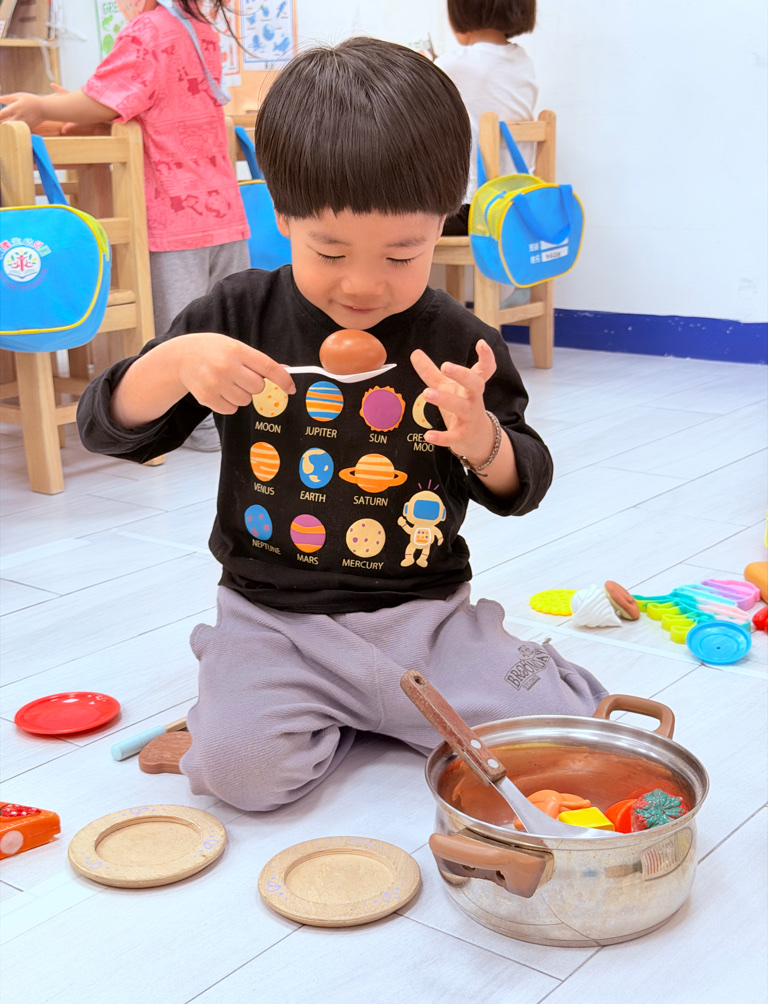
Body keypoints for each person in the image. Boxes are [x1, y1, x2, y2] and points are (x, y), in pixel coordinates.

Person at [75, 37, 605, 812]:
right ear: (282, 215)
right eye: (329, 251)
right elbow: (105, 428)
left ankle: (391, 702)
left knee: (564, 738)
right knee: (241, 774)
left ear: (443, 222)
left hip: (426, 619)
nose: (363, 285)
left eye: (402, 254)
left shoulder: (458, 341)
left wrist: (482, 441)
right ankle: (277, 695)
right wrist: (174, 363)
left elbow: (524, 481)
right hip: (273, 619)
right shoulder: (236, 316)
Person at [0, 0, 249, 452]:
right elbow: (141, 101)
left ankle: (198, 427)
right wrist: (80, 109)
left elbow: (108, 96)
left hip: (175, 214)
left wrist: (42, 104)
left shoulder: (149, 29)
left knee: (180, 332)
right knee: (226, 321)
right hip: (223, 211)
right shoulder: (202, 31)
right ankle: (232, 417)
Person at [436, 0, 538, 237]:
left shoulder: (451, 65)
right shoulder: (523, 61)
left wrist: (423, 64)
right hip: (519, 205)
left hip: (474, 211)